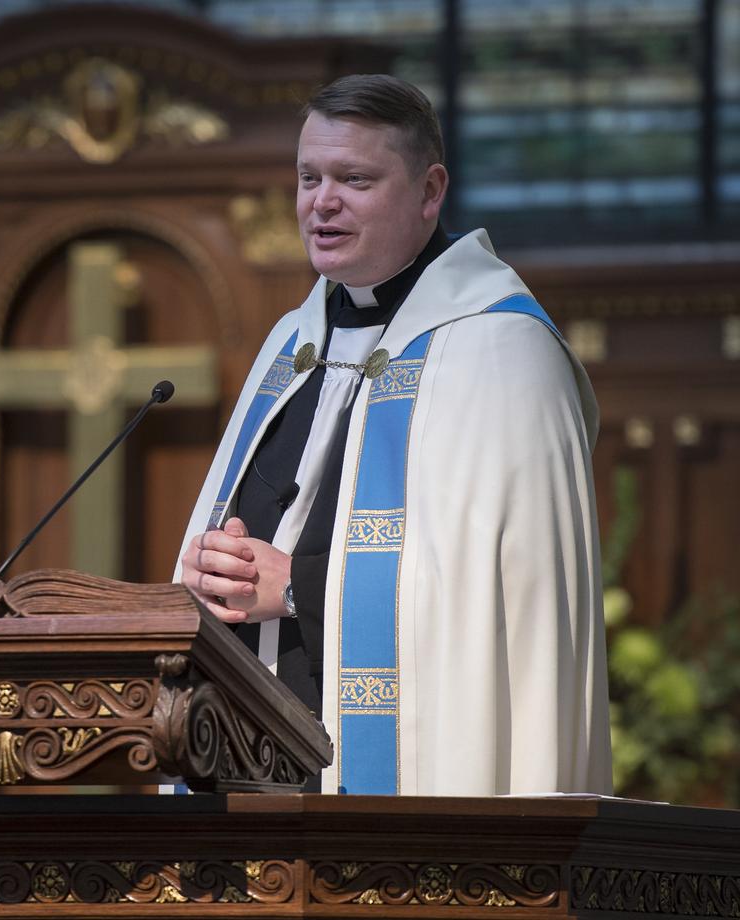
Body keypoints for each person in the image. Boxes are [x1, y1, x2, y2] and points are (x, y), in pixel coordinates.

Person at [175, 74, 612, 796]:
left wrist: (298, 589)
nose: (323, 201)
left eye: (355, 179)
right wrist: (208, 575)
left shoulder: (501, 349)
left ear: (429, 191)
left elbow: (501, 600)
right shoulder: (293, 343)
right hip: (256, 770)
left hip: (415, 775)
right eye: (309, 178)